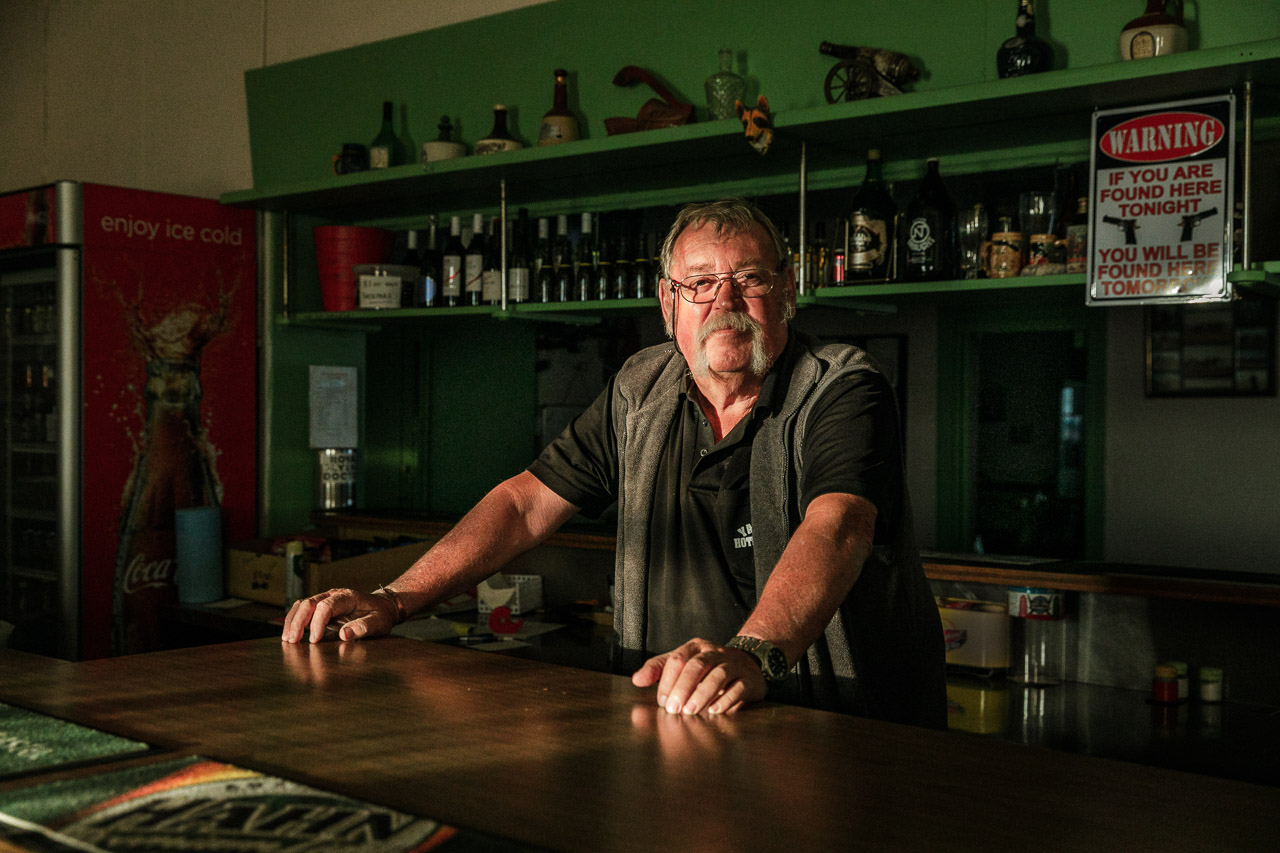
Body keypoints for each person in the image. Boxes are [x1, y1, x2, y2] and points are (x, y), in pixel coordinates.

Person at [283, 198, 946, 728]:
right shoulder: (639, 390)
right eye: (702, 283)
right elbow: (524, 504)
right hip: (671, 717)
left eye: (750, 278)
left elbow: (840, 526)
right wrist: (395, 598)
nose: (726, 302)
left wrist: (752, 655)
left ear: (788, 288)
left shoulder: (841, 386)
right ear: (668, 304)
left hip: (835, 730)